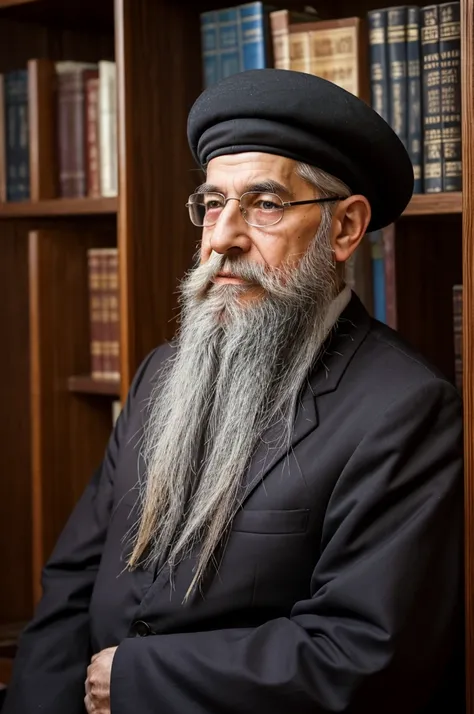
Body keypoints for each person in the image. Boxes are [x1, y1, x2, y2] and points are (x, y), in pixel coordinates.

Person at [3, 69, 464, 714]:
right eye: (213, 204)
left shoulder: (405, 407)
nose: (222, 238)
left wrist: (137, 680)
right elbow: (74, 585)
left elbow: (362, 653)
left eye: (265, 204)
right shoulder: (161, 373)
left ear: (344, 228)